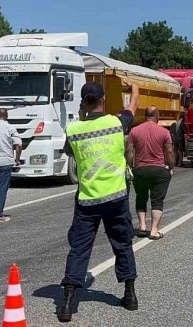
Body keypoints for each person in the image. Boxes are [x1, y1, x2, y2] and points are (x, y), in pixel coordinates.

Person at [58, 81, 140, 322]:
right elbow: (134, 105)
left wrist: (83, 117)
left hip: (88, 200)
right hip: (116, 196)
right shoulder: (117, 123)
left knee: (80, 248)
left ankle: (67, 302)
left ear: (83, 103)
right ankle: (130, 295)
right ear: (103, 100)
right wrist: (133, 88)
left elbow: (70, 152)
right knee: (122, 244)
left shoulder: (73, 130)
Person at [126, 106, 175, 240]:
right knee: (157, 200)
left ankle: (142, 226)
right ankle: (154, 230)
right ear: (157, 116)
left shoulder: (134, 131)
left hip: (140, 170)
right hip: (158, 170)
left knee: (141, 197)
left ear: (145, 115)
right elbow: (169, 152)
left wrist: (130, 168)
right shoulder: (164, 132)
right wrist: (171, 167)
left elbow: (129, 152)